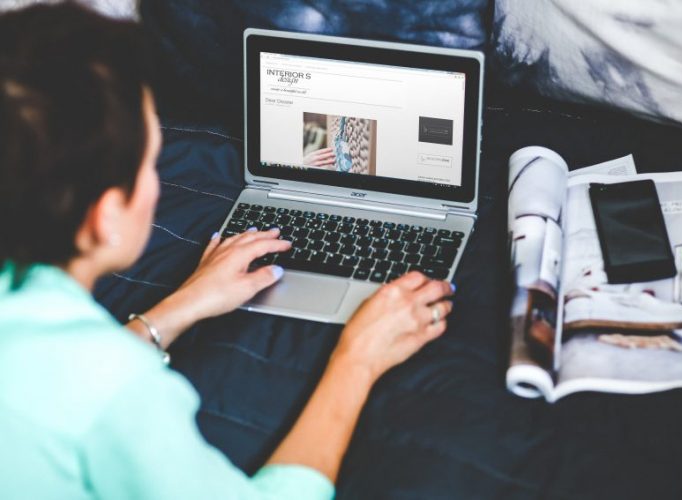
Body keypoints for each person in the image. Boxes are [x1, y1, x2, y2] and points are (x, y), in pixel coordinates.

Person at [0, 3, 454, 499]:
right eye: (151, 163)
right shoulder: (122, 393)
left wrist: (180, 306)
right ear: (105, 217)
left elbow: (53, 378)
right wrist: (358, 358)